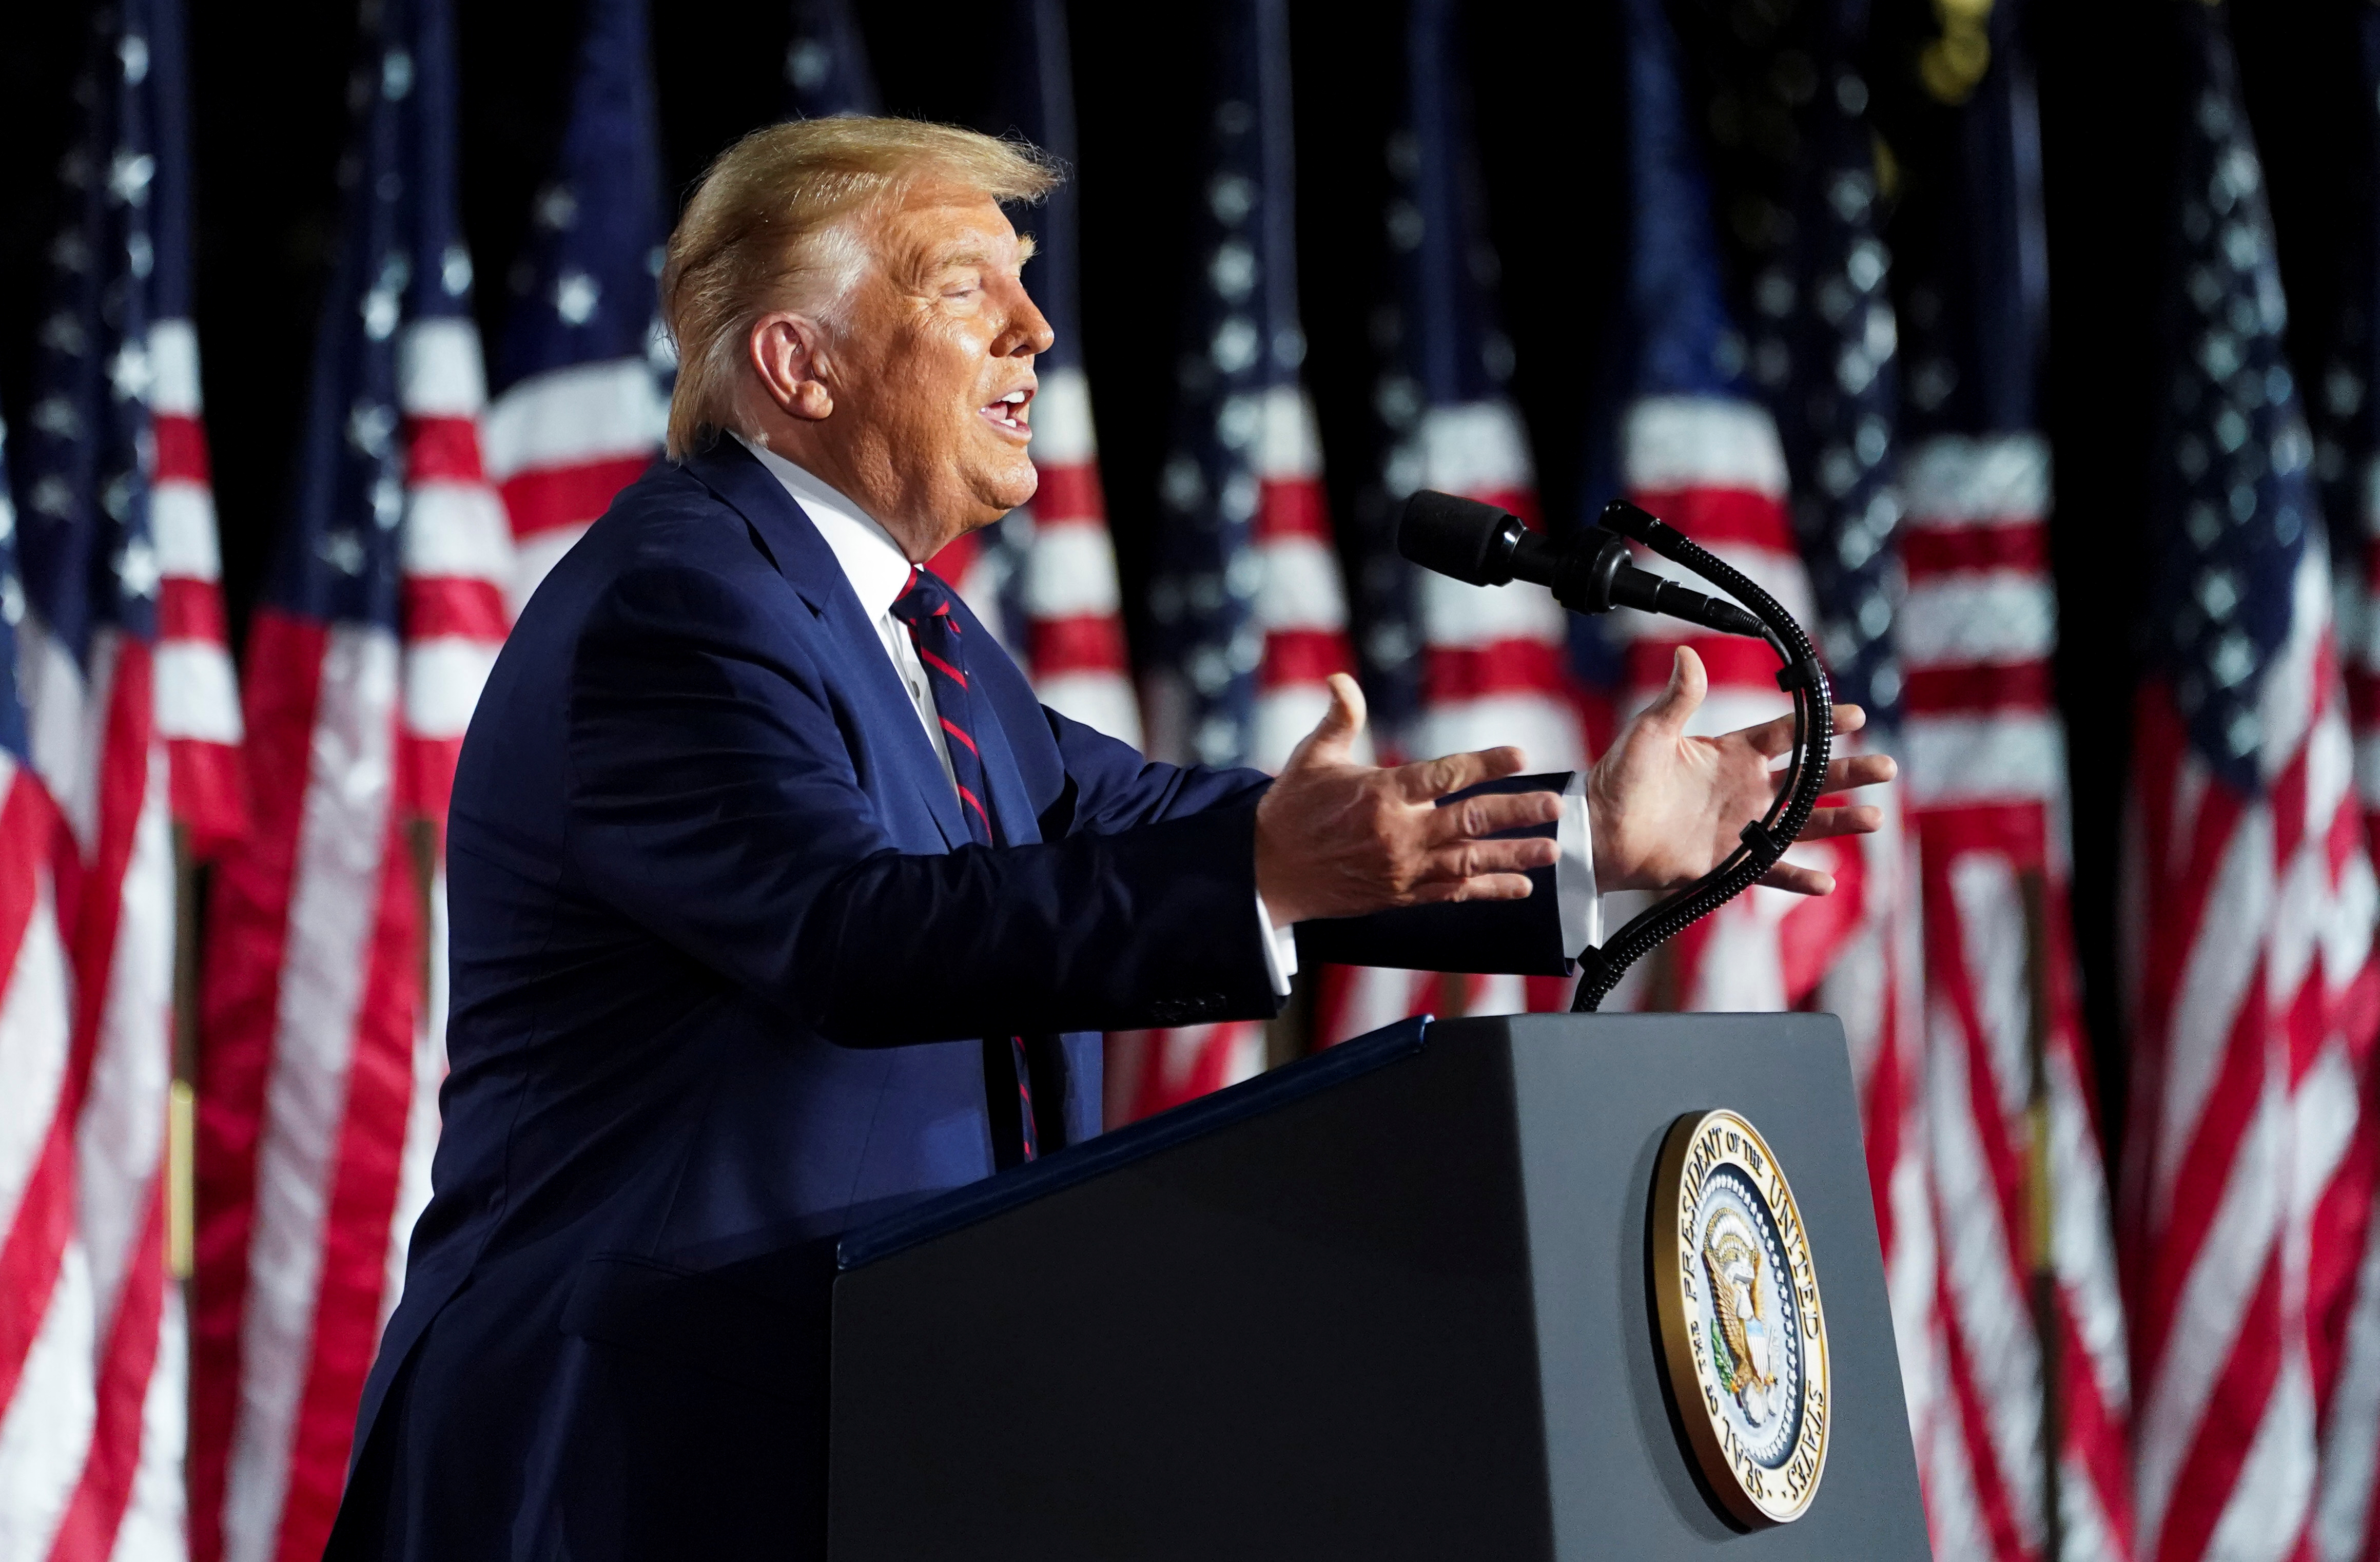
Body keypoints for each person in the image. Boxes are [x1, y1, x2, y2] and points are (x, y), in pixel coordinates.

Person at [327, 119, 1891, 1560]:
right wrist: (1268, 872)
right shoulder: (676, 607)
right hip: (635, 1458)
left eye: (1027, 286)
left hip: (870, 1428)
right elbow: (852, 929)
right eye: (970, 292)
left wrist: (1585, 838)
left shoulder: (914, 637)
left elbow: (1148, 824)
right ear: (797, 362)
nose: (1036, 334)